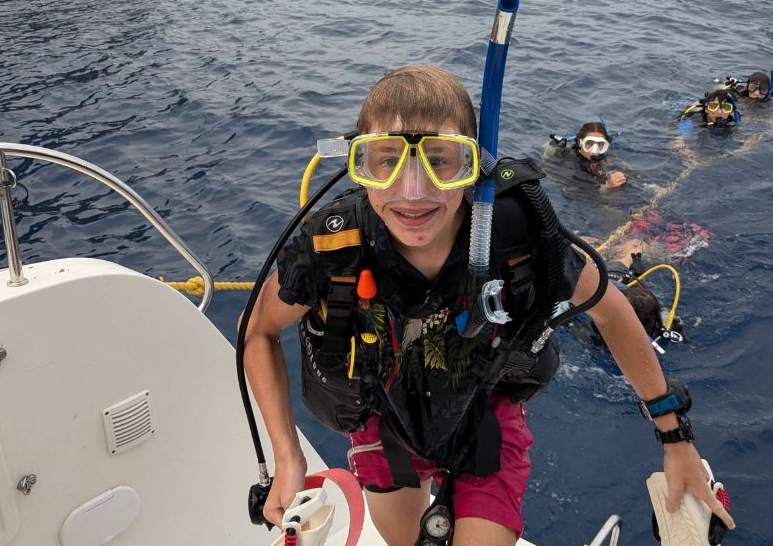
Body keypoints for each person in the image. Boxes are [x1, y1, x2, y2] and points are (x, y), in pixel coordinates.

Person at [242, 65, 734, 546]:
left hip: (484, 410)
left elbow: (612, 310)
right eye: (386, 160)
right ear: (360, 167)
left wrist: (676, 438)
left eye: (441, 160)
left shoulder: (518, 233)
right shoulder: (333, 242)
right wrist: (288, 457)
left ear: (473, 165)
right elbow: (257, 331)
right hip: (384, 417)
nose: (413, 191)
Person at [546, 121, 626, 189]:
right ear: (580, 143)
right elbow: (577, 193)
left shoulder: (608, 160)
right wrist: (607, 187)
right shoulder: (567, 161)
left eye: (601, 144)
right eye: (589, 143)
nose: (595, 151)